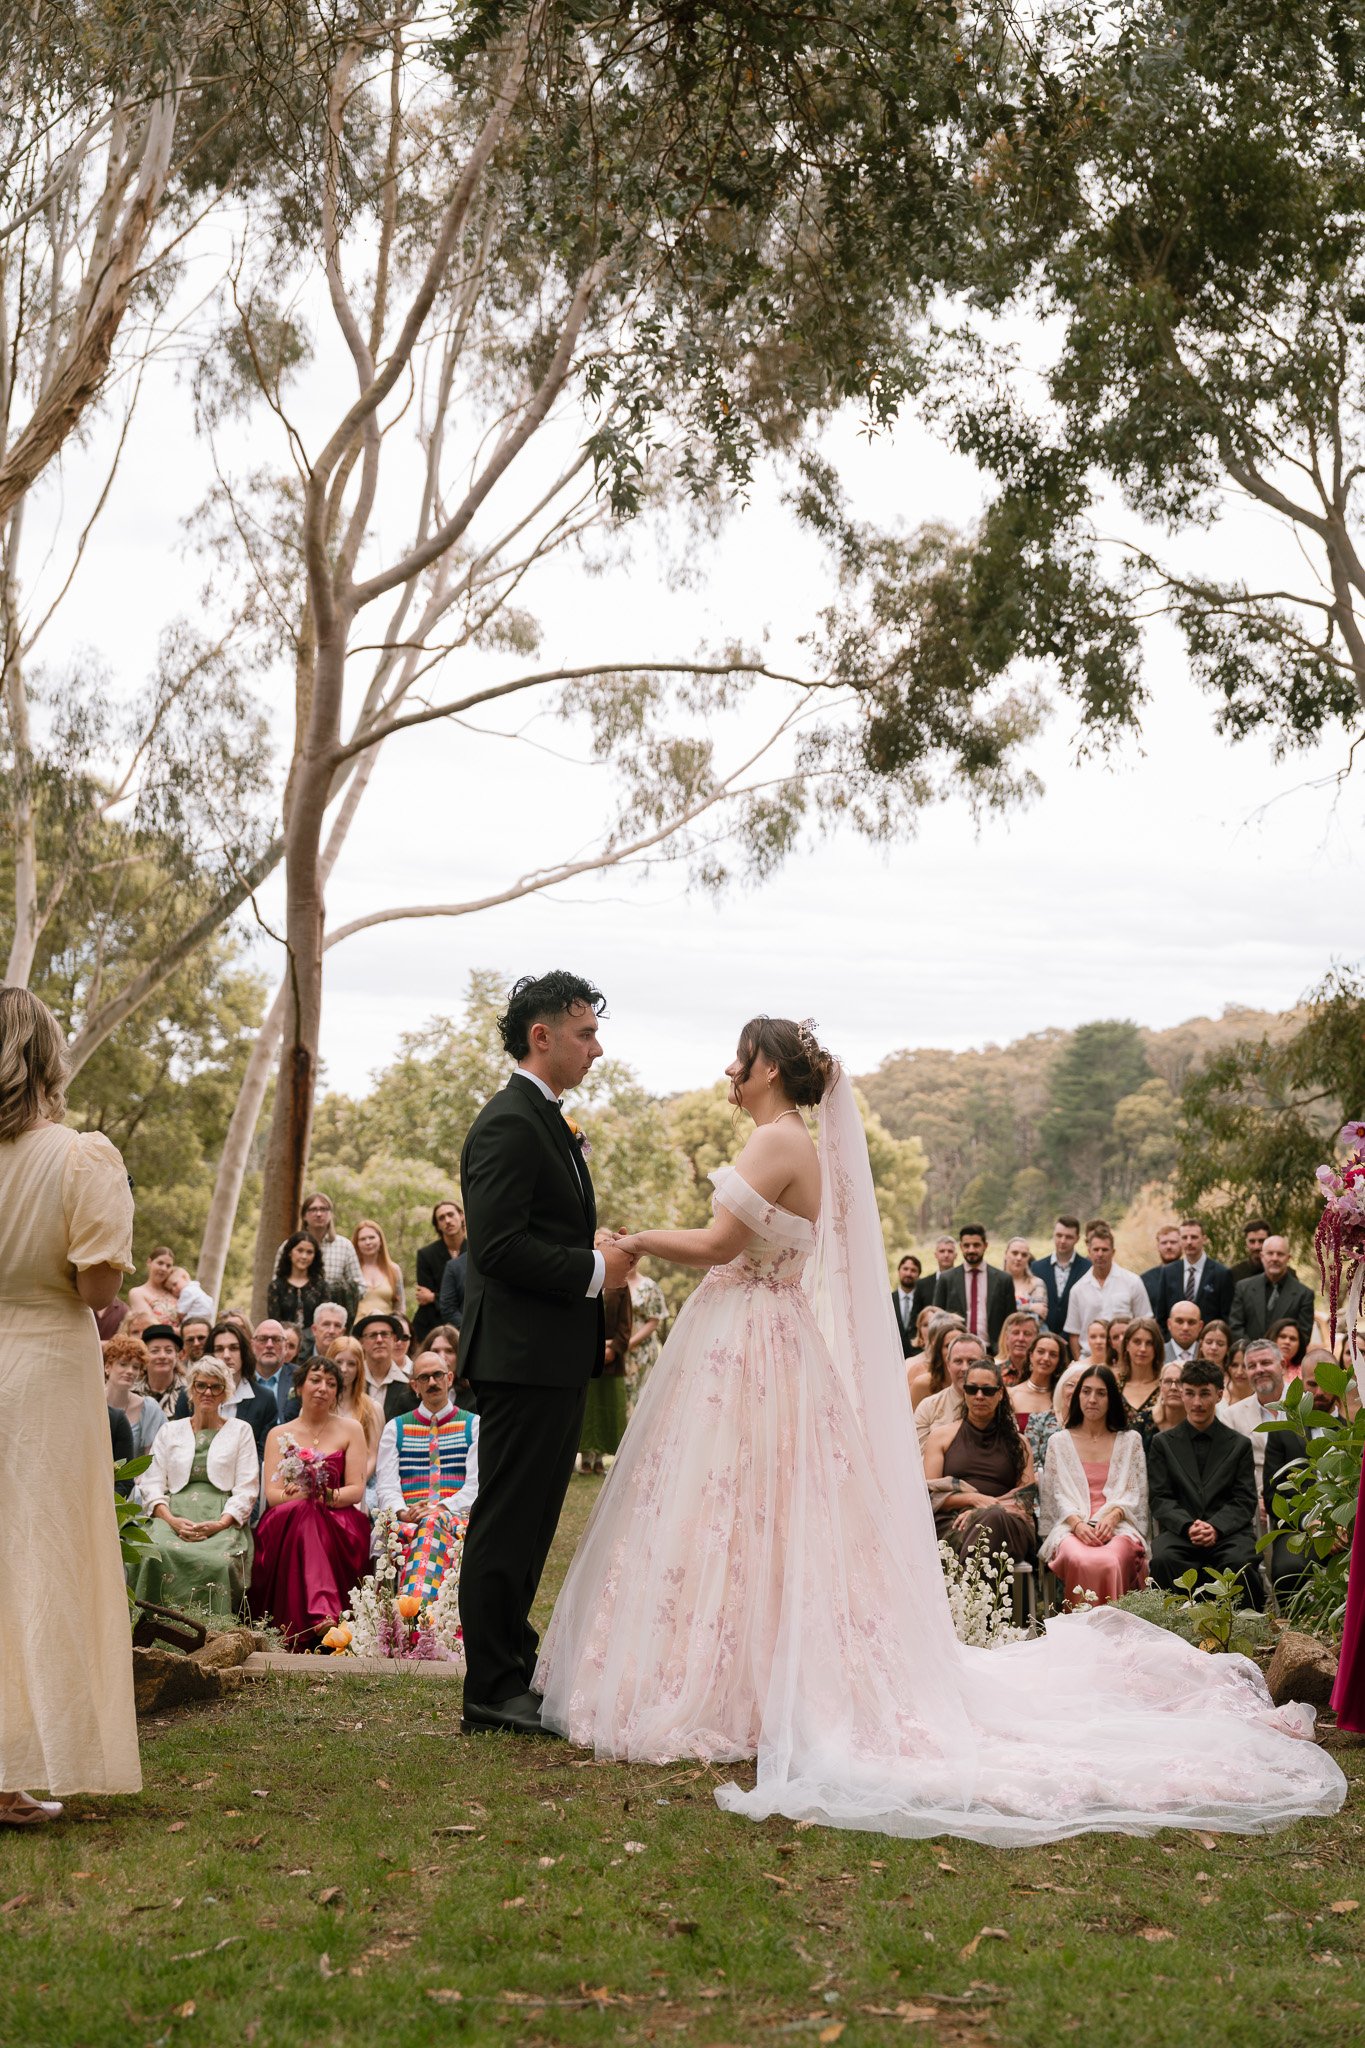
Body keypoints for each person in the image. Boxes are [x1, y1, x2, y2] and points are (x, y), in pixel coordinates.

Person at [531, 1021, 1344, 1839]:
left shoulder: (778, 1142)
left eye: (737, 1062)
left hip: (751, 1342)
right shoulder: (788, 1143)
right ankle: (737, 1672)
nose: (728, 1073)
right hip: (756, 1341)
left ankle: (732, 1680)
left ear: (767, 1068)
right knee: (745, 1509)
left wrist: (630, 1242)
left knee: (743, 1504)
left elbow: (717, 1243)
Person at [457, 970, 633, 1736]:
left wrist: (584, 1248)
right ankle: (490, 1687)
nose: (596, 1047)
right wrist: (594, 1270)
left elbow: (535, 1231)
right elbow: (494, 1250)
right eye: (585, 1032)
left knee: (532, 1525)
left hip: (551, 1358)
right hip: (520, 1360)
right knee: (507, 1521)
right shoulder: (507, 1122)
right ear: (543, 1035)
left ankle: (513, 1667)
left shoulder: (546, 1120)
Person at [0, 986, 140, 1823]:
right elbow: (95, 1284)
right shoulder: (79, 1156)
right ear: (49, 1057)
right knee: (44, 1555)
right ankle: (21, 1765)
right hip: (46, 1362)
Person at [250, 1355, 370, 1646]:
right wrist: (304, 1494)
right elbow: (274, 1495)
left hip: (337, 1513)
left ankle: (318, 1616)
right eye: (315, 1380)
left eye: (331, 1384)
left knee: (311, 1513)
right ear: (300, 1387)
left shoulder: (351, 1429)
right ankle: (323, 1612)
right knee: (304, 1511)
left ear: (336, 1393)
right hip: (288, 1517)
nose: (322, 1388)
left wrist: (325, 1496)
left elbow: (356, 1489)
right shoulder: (280, 1434)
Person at [135, 1359, 258, 1618]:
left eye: (216, 1387)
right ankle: (150, 1630)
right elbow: (152, 1482)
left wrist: (221, 1524)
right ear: (191, 1389)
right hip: (172, 1514)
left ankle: (215, 1633)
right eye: (201, 1385)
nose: (207, 1393)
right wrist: (170, 1520)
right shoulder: (170, 1430)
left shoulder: (240, 1430)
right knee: (155, 1553)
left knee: (219, 1562)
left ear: (226, 1392)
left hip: (219, 1514)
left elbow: (247, 1488)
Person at [1147, 1360, 1262, 1606]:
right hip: (1180, 1533)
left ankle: (1245, 1630)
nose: (1197, 1403)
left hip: (1228, 1534)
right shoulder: (1162, 1443)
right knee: (1163, 1559)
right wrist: (1188, 1526)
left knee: (1239, 1562)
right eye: (1190, 1393)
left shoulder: (1239, 1444)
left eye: (1205, 1394)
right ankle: (1175, 1632)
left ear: (1219, 1395)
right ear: (1181, 1393)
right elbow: (1160, 1498)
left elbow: (1244, 1499)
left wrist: (1216, 1527)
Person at [374, 1351, 479, 1603]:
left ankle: (416, 1606)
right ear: (415, 1386)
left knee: (431, 1524)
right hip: (406, 1522)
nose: (432, 1382)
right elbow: (386, 1486)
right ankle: (427, 1616)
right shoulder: (395, 1428)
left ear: (449, 1378)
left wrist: (440, 1508)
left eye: (438, 1375)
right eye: (424, 1377)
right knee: (425, 1526)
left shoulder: (473, 1425)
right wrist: (403, 1512)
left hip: (456, 1519)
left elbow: (476, 1485)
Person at [1039, 1365, 1148, 1607]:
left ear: (1112, 1399)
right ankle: (1081, 1636)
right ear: (1077, 1396)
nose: (1092, 1399)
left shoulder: (1130, 1441)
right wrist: (1077, 1525)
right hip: (1071, 1528)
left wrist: (1113, 1516)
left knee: (1110, 1561)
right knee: (1081, 1559)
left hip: (1119, 1528)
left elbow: (1136, 1493)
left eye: (1101, 1393)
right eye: (1086, 1391)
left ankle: (1115, 1635)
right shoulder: (1059, 1442)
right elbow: (1055, 1496)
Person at [924, 1358, 1038, 1581]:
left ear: (1000, 1394)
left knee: (992, 1519)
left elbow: (1025, 1498)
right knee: (986, 1519)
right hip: (953, 1521)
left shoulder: (1019, 1443)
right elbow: (928, 1494)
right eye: (972, 1389)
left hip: (1007, 1521)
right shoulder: (942, 1436)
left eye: (987, 1390)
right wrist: (974, 1500)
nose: (979, 1396)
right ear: (964, 1393)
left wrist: (985, 1511)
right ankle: (979, 1608)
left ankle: (969, 1605)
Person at [176, 1323, 277, 1459]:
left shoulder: (265, 1399)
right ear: (210, 1354)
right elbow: (179, 1445)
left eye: (234, 1348)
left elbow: (263, 1454)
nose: (226, 1355)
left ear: (244, 1353)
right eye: (219, 1349)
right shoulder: (188, 1394)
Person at [579, 1227, 632, 1475]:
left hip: (612, 1358)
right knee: (587, 1410)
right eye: (598, 1242)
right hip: (586, 1355)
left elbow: (626, 1323)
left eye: (606, 1242)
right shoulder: (582, 1277)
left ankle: (601, 1458)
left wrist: (614, 1348)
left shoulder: (620, 1284)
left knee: (606, 1408)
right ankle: (585, 1458)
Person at [1063, 1223, 1153, 1358]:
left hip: (1125, 1356)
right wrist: (1078, 1363)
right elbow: (1074, 1333)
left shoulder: (1132, 1282)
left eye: (1105, 1250)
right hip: (1089, 1358)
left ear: (1113, 1252)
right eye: (1096, 1249)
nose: (1100, 1254)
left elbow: (1145, 1322)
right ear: (1089, 1252)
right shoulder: (1078, 1289)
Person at [275, 1193, 362, 1326]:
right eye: (313, 1209)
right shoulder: (289, 1246)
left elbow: (359, 1285)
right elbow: (277, 1283)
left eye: (323, 1209)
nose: (319, 1214)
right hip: (296, 1321)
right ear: (304, 1215)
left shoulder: (344, 1246)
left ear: (331, 1214)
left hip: (333, 1323)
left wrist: (338, 1294)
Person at [933, 1225, 1015, 1352]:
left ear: (985, 1246)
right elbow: (938, 1318)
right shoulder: (946, 1279)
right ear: (961, 1247)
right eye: (966, 1246)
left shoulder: (1003, 1279)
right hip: (956, 1350)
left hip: (993, 1351)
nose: (971, 1250)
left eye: (976, 1245)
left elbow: (1011, 1319)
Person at [1223, 1339, 1288, 1492]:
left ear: (1283, 1366)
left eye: (1265, 1363)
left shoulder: (1306, 1404)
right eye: (1252, 1366)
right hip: (1255, 1505)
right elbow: (1227, 1471)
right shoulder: (1231, 1417)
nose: (1259, 1370)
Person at [1228, 1237, 1315, 1351]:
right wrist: (1254, 1352)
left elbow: (1303, 1336)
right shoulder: (1243, 1288)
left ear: (1288, 1258)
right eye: (1270, 1253)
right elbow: (1235, 1327)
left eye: (1280, 1254)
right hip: (1249, 1358)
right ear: (1262, 1256)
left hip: (1284, 1361)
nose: (1275, 1258)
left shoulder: (1304, 1295)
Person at [1152, 1220, 1233, 1330]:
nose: (1189, 1242)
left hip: (1208, 1342)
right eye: (1184, 1237)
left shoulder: (1221, 1273)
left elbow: (1226, 1317)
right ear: (1180, 1240)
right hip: (1174, 1341)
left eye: (1194, 1237)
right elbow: (1161, 1316)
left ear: (1204, 1239)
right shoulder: (1168, 1272)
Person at [914, 1329, 982, 1448]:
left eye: (972, 1361)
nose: (965, 1368)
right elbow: (919, 1458)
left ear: (985, 1364)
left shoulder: (999, 1405)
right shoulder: (928, 1408)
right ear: (948, 1364)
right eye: (958, 1361)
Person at [328, 1333, 384, 1477]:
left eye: (351, 1364)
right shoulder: (317, 1406)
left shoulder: (372, 1408)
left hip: (362, 1483)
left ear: (360, 1368)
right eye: (338, 1362)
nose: (344, 1369)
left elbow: (373, 1456)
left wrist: (356, 1486)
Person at [103, 1334, 166, 1458]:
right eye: (123, 1364)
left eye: (136, 1367)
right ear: (107, 1367)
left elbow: (152, 1459)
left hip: (136, 1477)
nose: (130, 1371)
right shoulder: (92, 1402)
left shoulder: (148, 1408)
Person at [413, 1199, 465, 1345]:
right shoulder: (426, 1255)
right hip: (433, 1322)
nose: (447, 1220)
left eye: (451, 1214)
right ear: (437, 1225)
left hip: (466, 1319)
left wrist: (433, 1297)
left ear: (461, 1216)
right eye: (441, 1218)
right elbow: (424, 1298)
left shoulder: (474, 1251)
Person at [1016, 1328, 1069, 1472]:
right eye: (1041, 1352)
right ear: (1031, 1355)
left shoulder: (1064, 1399)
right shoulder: (1011, 1395)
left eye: (1053, 1355)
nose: (1046, 1358)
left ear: (1059, 1361)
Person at [1029, 1215, 1090, 1336]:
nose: (1062, 1241)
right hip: (1042, 1338)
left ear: (1077, 1239)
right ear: (1053, 1235)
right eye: (1059, 1235)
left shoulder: (1088, 1268)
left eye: (1068, 1237)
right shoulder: (1036, 1267)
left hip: (1076, 1339)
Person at [356, 1311, 419, 1422]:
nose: (379, 1340)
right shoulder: (351, 1382)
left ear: (394, 1339)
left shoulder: (410, 1385)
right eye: (373, 1335)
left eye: (385, 1334)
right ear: (362, 1342)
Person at [625, 1264, 668, 1417]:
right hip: (616, 1350)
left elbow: (654, 1321)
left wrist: (629, 1343)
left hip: (641, 1351)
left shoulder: (649, 1286)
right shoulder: (610, 1284)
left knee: (640, 1395)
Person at [1114, 1317, 1165, 1445]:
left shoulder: (1167, 1386)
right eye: (1137, 1342)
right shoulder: (1114, 1386)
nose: (1143, 1349)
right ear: (1127, 1345)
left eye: (1149, 1343)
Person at [267, 1230, 327, 1332]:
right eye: (300, 1250)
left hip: (314, 1344)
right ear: (290, 1252)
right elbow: (275, 1324)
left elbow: (324, 1322)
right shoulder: (276, 1286)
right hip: (284, 1342)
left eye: (309, 1252)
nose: (304, 1256)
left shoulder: (321, 1286)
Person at [906, 1311, 966, 1409]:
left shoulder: (975, 1384)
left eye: (959, 1344)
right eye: (948, 1345)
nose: (955, 1350)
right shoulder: (921, 1382)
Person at [354, 1217, 406, 1321]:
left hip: (386, 1329)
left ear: (380, 1240)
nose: (368, 1242)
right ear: (357, 1243)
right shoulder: (352, 1270)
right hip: (357, 1330)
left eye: (371, 1237)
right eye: (363, 1239)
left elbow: (400, 1307)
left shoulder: (393, 1269)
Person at [1140, 1225, 1183, 1332]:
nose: (1168, 1246)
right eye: (1164, 1243)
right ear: (1158, 1246)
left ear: (1182, 1244)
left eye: (1173, 1242)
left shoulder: (1192, 1276)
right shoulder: (1145, 1280)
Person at [140, 1323, 187, 1417]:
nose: (162, 1356)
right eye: (155, 1351)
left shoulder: (189, 1391)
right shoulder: (130, 1390)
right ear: (143, 1356)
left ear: (176, 1356)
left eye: (168, 1351)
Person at [127, 1245, 181, 1326]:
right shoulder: (137, 1293)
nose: (164, 1269)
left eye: (168, 1266)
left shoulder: (175, 1292)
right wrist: (182, 1331)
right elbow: (150, 1324)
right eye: (160, 1263)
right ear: (149, 1262)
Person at [911, 1236, 956, 1331]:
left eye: (950, 1251)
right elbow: (915, 1320)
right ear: (936, 1255)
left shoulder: (964, 1281)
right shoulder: (922, 1285)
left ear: (956, 1255)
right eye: (942, 1251)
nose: (946, 1255)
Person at [253, 1319, 293, 1422]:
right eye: (263, 1339)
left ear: (286, 1347)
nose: (269, 1345)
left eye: (276, 1339)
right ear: (252, 1345)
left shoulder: (299, 1378)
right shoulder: (241, 1378)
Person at [1003, 1239, 1047, 1318]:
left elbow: (1039, 1316)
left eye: (1024, 1255)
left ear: (1028, 1258)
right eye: (1015, 1253)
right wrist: (1030, 1307)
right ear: (1006, 1254)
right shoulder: (996, 1282)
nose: (1019, 1258)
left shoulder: (1037, 1283)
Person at [996, 1310, 1038, 1386]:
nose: (1021, 1338)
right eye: (1015, 1333)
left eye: (1027, 1334)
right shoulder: (994, 1373)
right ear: (1007, 1338)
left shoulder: (1042, 1374)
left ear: (1036, 1339)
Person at [1228, 1218, 1271, 1287]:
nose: (1256, 1247)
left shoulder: (1285, 1273)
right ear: (1246, 1243)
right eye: (1252, 1241)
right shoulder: (1235, 1274)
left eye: (1261, 1241)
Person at [892, 1253, 920, 1357]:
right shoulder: (888, 1300)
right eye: (905, 1269)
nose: (909, 1273)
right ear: (899, 1271)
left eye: (913, 1270)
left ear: (918, 1274)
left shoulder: (923, 1301)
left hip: (917, 1356)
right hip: (893, 1356)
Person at [1150, 1362, 1186, 1434]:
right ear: (1160, 1385)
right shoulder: (1143, 1422)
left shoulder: (1199, 1424)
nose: (1173, 1388)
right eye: (1167, 1381)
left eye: (1180, 1382)